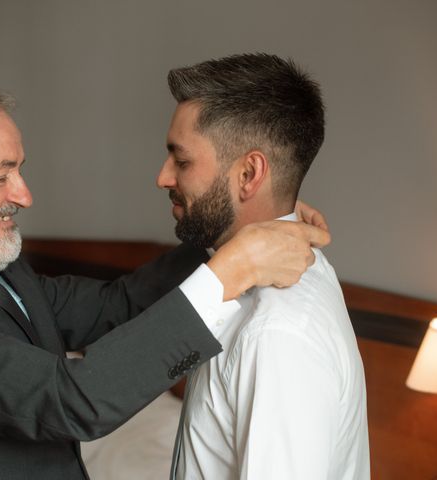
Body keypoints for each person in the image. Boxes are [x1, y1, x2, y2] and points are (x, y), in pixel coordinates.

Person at [0, 79, 329, 480]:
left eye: (20, 169)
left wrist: (231, 232)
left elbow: (118, 303)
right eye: (1, 176)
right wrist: (236, 268)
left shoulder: (0, 268)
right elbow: (73, 399)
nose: (25, 194)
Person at [159, 53, 370, 479]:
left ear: (249, 174)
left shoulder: (276, 334)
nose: (164, 177)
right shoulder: (236, 283)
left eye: (181, 161)